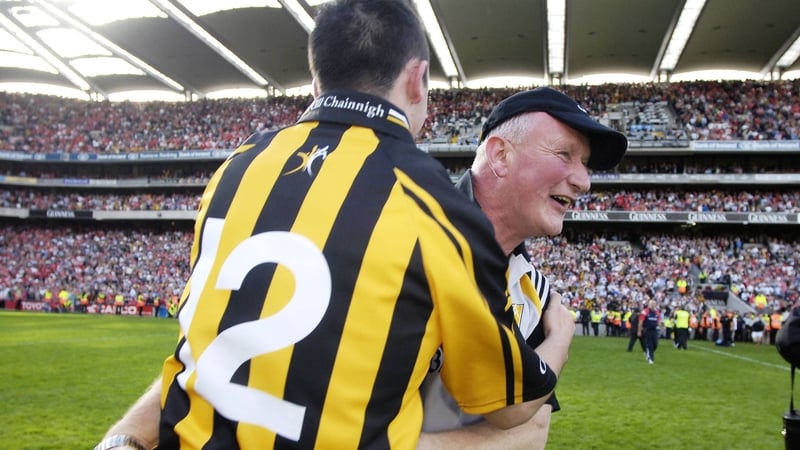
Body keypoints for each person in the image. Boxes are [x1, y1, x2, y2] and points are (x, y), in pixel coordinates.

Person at [93, 2, 573, 449]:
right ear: (417, 79)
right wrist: (560, 337)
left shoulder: (239, 166)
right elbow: (512, 408)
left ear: (317, 82)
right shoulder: (434, 203)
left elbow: (200, 343)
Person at [420, 86, 628, 448]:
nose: (584, 181)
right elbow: (348, 427)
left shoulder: (533, 289)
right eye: (565, 154)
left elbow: (532, 431)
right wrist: (560, 338)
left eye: (586, 164)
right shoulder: (405, 240)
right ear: (500, 156)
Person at [638, 299, 661, 364]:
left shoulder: (656, 312)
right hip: (647, 330)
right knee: (649, 344)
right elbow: (640, 322)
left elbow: (658, 320)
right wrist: (639, 330)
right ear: (649, 305)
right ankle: (650, 359)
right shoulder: (645, 312)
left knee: (655, 344)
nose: (653, 305)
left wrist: (661, 326)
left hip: (654, 330)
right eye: (651, 304)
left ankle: (648, 353)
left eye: (654, 304)